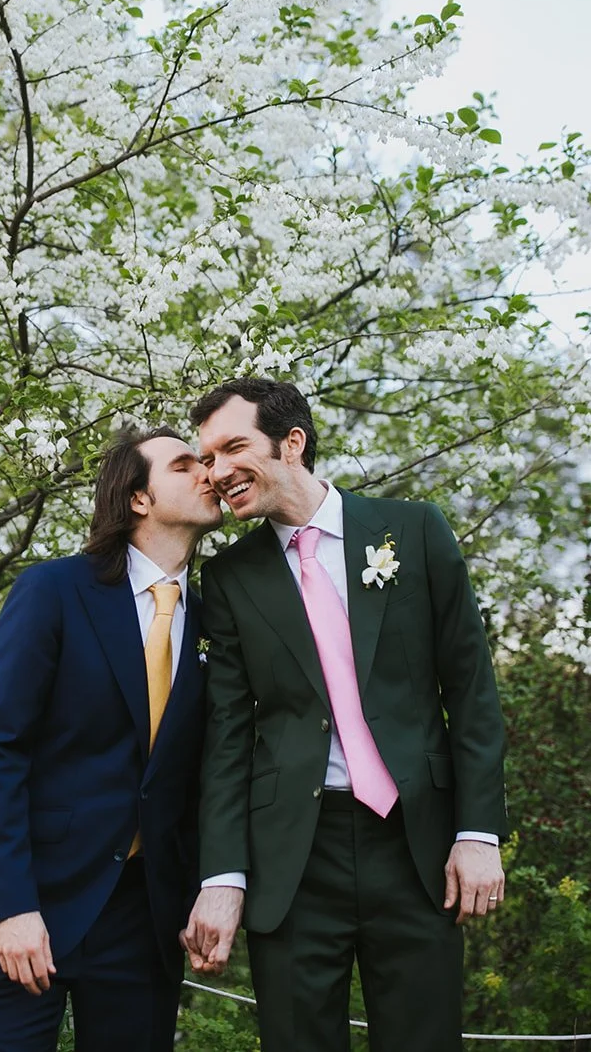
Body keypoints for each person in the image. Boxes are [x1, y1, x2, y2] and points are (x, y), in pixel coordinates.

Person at [182, 379, 508, 1051]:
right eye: (207, 458)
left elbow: (472, 691)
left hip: (416, 842)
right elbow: (227, 737)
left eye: (233, 448)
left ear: (291, 443)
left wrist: (478, 831)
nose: (216, 471)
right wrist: (223, 875)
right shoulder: (231, 578)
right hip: (292, 856)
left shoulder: (414, 531)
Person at [0, 427, 223, 1052]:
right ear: (138, 498)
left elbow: (207, 770)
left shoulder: (214, 619)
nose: (207, 473)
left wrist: (206, 887)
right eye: (184, 465)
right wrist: (11, 907)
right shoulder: (53, 590)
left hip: (143, 918)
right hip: (28, 901)